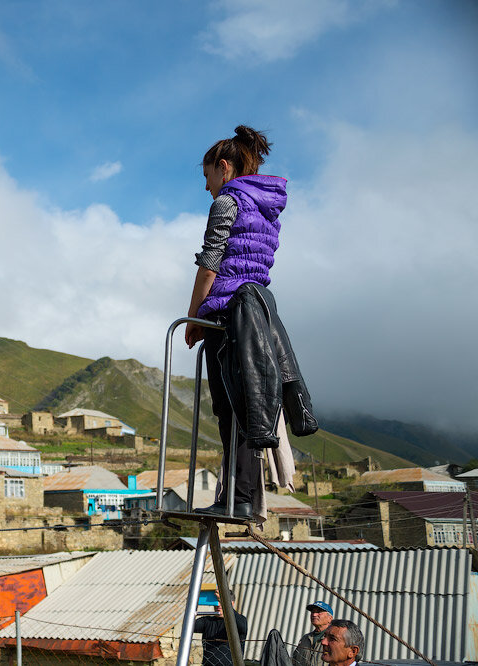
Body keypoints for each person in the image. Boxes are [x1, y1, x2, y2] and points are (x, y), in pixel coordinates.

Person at [185, 125, 318, 520]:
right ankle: (238, 494)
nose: (207, 187)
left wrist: (194, 316)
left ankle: (238, 496)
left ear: (223, 168)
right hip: (257, 307)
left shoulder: (227, 202)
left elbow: (210, 265)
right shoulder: (267, 207)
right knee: (248, 403)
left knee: (230, 409)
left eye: (207, 176)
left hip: (226, 314)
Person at [194, 590, 248, 666]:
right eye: (216, 601)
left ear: (231, 603)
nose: (218, 605)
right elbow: (189, 627)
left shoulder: (239, 620)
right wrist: (193, 603)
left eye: (221, 601)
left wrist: (225, 604)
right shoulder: (207, 621)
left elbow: (242, 626)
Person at [292, 601, 334, 666]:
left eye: (319, 612)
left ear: (330, 618)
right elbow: (294, 661)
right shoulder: (305, 639)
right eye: (312, 612)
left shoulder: (334, 639)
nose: (314, 615)